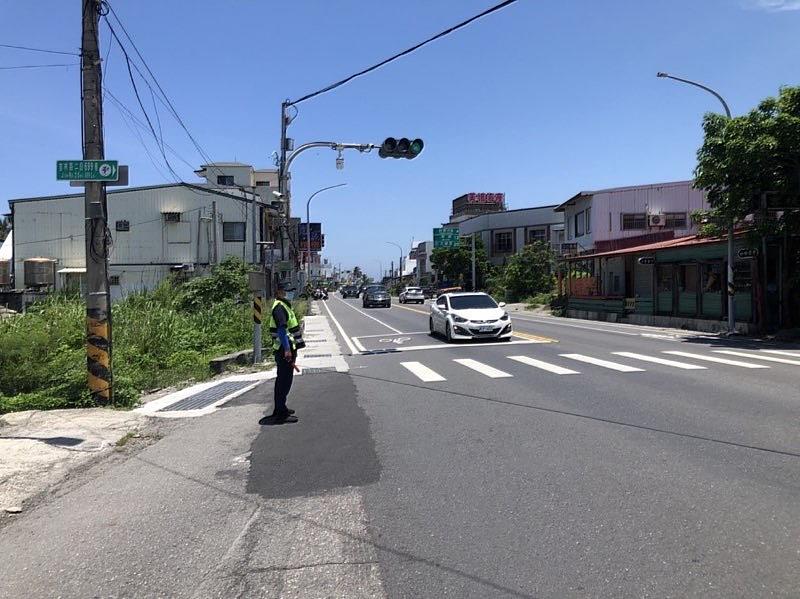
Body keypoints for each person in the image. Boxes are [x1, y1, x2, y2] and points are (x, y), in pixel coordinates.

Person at [261, 283, 302, 424]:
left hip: (287, 349)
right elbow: (281, 330)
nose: (289, 293)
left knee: (285, 380)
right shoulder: (279, 307)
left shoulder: (283, 305)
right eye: (287, 291)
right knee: (284, 381)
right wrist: (287, 349)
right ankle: (280, 413)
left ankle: (281, 407)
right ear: (279, 292)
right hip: (284, 350)